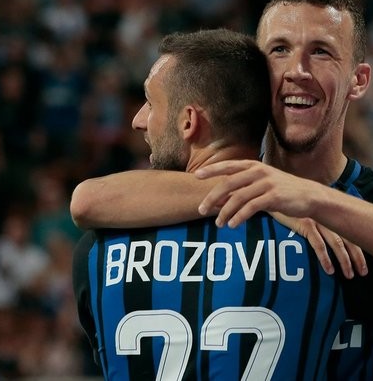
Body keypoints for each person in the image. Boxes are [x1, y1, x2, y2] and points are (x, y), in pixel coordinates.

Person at [70, 0, 373, 380]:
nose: (298, 68)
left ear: (358, 81)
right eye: (279, 49)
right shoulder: (292, 239)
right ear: (257, 74)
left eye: (321, 51)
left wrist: (311, 199)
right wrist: (266, 192)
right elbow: (88, 200)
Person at [74, 28, 350, 380]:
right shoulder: (323, 237)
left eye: (151, 104)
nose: (138, 120)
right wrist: (257, 186)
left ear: (189, 122)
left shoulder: (98, 250)